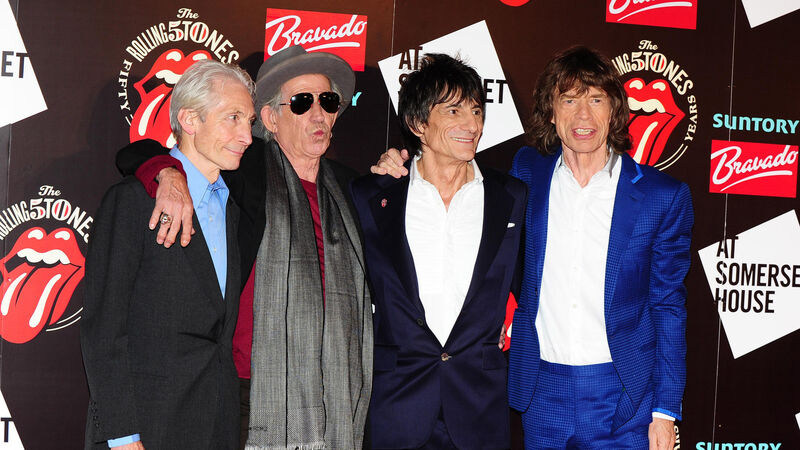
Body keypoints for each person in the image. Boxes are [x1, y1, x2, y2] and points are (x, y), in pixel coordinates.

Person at [116, 46, 372, 449]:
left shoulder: (351, 187)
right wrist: (166, 173)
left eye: (328, 101)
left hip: (336, 393)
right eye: (302, 102)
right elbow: (138, 152)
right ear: (269, 119)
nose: (319, 114)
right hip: (254, 392)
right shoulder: (244, 170)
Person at [506, 46, 693, 449]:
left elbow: (668, 306)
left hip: (625, 396)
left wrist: (665, 411)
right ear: (551, 111)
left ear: (615, 111)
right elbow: (461, 183)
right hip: (541, 390)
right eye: (569, 100)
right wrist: (398, 169)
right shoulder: (527, 172)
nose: (583, 116)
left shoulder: (662, 196)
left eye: (595, 100)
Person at [351, 53, 527, 449]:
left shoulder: (512, 197)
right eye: (454, 111)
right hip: (397, 405)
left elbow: (531, 288)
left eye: (476, 111)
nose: (472, 125)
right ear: (418, 124)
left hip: (479, 406)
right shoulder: (371, 196)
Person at [81, 60, 255, 449]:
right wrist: (122, 436)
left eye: (249, 120)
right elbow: (104, 329)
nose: (246, 135)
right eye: (233, 118)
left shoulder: (234, 206)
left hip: (217, 427)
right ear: (189, 120)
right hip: (146, 427)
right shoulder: (132, 201)